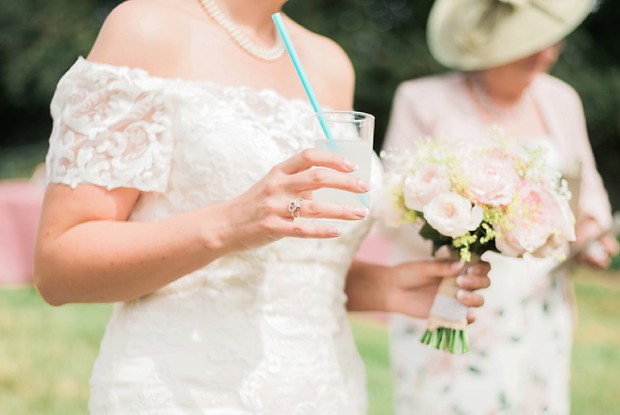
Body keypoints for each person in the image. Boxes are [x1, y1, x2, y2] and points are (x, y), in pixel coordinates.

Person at [33, 1, 491, 414]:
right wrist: (230, 223)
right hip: (184, 390)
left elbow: (288, 269)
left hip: (327, 389)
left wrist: (384, 288)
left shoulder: (329, 63)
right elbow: (59, 266)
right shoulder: (148, 27)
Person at [383, 0, 619, 414]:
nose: (546, 54)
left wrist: (593, 229)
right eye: (531, 45)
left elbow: (587, 187)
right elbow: (395, 208)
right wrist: (475, 230)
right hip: (454, 295)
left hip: (539, 306)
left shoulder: (561, 100)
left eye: (552, 43)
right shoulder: (422, 99)